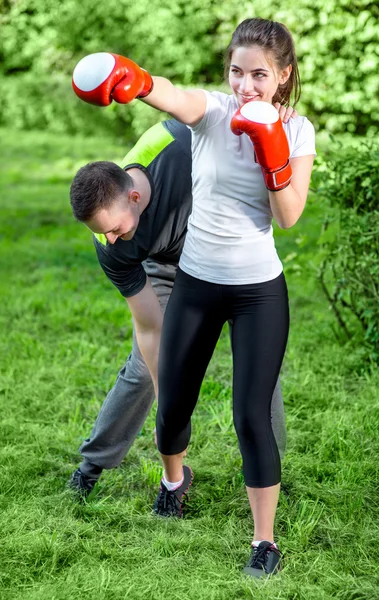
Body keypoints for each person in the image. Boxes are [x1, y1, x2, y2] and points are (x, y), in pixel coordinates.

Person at [71, 17, 316, 577]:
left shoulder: (298, 131)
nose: (245, 86)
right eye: (236, 71)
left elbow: (290, 215)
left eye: (258, 75)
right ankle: (173, 482)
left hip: (258, 289)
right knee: (170, 402)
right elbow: (170, 95)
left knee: (251, 411)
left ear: (283, 75)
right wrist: (131, 78)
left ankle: (265, 541)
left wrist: (273, 152)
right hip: (195, 282)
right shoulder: (211, 112)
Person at [68, 113, 295, 499]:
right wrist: (168, 411)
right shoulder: (112, 245)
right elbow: (152, 329)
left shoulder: (181, 144)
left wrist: (273, 118)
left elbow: (233, 116)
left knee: (258, 363)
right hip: (167, 267)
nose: (110, 237)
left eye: (115, 228)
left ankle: (268, 469)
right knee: (143, 368)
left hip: (228, 253)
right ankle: (93, 465)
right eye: (100, 231)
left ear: (134, 197)